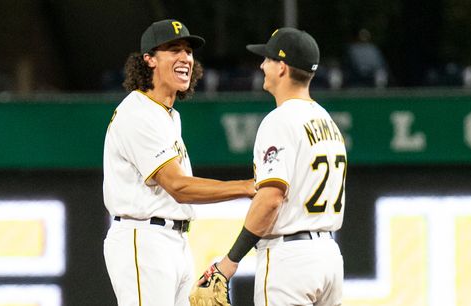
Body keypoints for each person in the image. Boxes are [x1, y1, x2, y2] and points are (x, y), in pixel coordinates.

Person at [102, 19, 256, 306]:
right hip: (143, 238)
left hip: (175, 240)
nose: (185, 57)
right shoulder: (138, 112)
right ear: (148, 60)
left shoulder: (169, 115)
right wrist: (245, 187)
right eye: (173, 49)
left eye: (188, 51)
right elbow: (177, 186)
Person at [199, 28, 347, 306]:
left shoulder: (280, 121)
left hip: (290, 260)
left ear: (282, 67)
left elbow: (271, 198)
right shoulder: (328, 122)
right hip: (329, 256)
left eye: (267, 59)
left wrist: (230, 261)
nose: (261, 65)